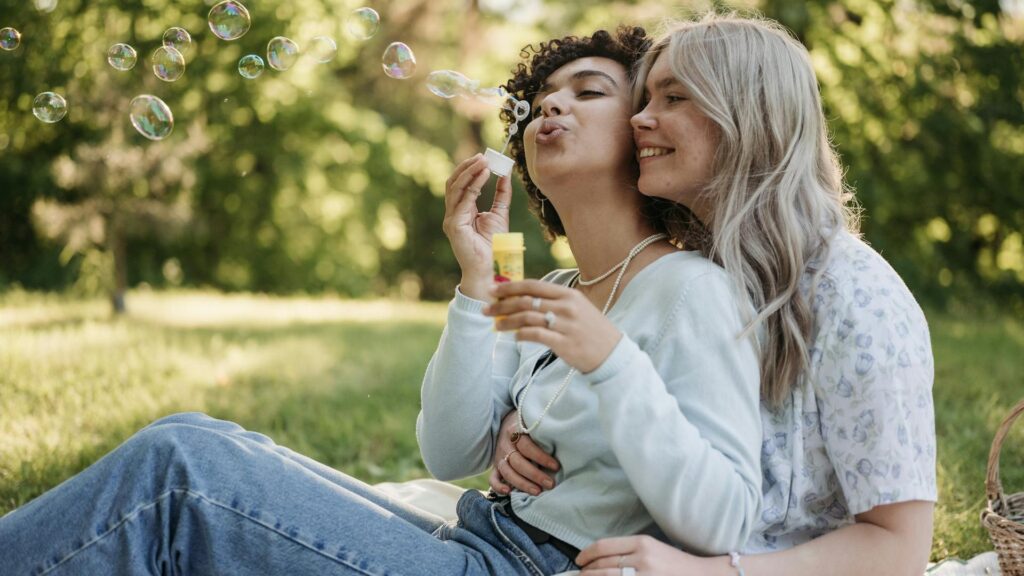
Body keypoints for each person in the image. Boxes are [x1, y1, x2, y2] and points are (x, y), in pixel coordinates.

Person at [0, 27, 762, 576]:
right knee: (192, 430)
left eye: (588, 92)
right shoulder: (556, 291)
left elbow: (725, 516)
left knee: (180, 471)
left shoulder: (688, 288)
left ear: (643, 137)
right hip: (476, 533)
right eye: (539, 101)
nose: (548, 108)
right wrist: (476, 281)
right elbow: (451, 448)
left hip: (526, 568)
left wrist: (612, 361)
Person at [488, 13, 937, 576]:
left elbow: (899, 551)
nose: (640, 120)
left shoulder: (855, 295)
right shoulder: (695, 265)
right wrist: (521, 423)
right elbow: (652, 418)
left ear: (750, 115)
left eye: (673, 98)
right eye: (645, 98)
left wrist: (711, 573)